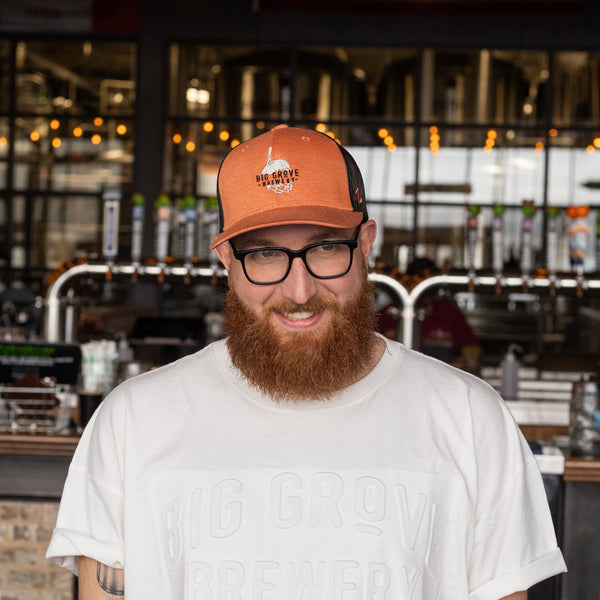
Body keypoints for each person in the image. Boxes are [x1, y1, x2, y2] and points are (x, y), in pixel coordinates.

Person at [47, 125, 566, 599]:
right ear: (227, 260)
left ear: (365, 245)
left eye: (323, 249)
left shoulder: (469, 417)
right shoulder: (134, 419)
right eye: (266, 255)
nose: (299, 290)